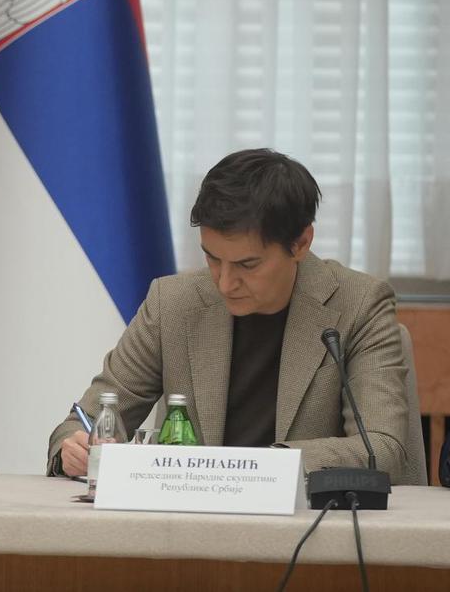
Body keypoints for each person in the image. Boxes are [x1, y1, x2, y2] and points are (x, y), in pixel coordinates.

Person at [47, 149, 419, 485]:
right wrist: (72, 450)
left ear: (301, 243)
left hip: (309, 522)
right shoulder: (172, 303)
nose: (225, 283)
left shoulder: (359, 305)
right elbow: (80, 423)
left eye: (247, 264)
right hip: (192, 524)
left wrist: (257, 468)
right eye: (212, 258)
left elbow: (382, 447)